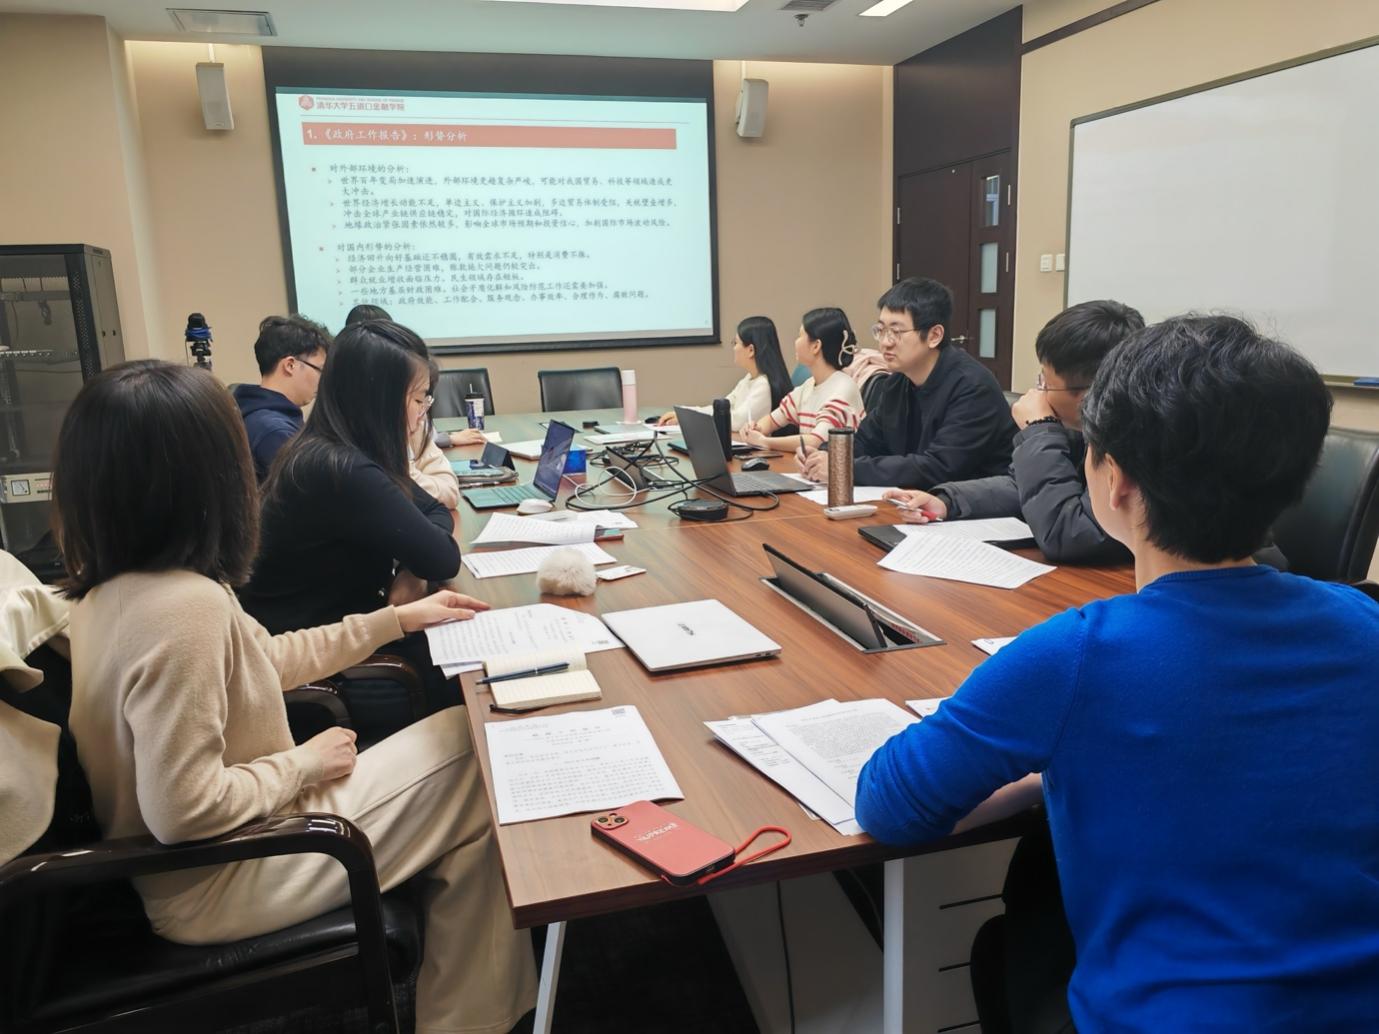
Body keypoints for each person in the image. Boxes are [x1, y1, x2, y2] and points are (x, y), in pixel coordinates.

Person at [856, 315, 1379, 1032]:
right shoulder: (1363, 623)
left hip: (1157, 1017)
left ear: (1115, 480)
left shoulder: (1073, 655)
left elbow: (889, 804)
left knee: (1005, 942)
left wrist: (1042, 775)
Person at [55, 360, 537, 1034]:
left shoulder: (112, 589)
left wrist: (393, 621)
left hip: (212, 855)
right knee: (474, 749)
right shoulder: (183, 608)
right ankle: (473, 1017)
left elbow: (262, 662)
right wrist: (304, 765)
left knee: (467, 810)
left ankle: (472, 1017)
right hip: (225, 874)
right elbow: (184, 813)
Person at [240, 320, 460, 635]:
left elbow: (435, 510)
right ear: (383, 401)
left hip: (340, 630)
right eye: (418, 400)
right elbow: (443, 558)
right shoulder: (341, 469)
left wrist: (411, 571)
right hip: (321, 650)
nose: (421, 413)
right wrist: (419, 564)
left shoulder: (333, 447)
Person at [883, 299, 1142, 562]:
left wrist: (1040, 429)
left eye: (1046, 382)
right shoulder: (1086, 428)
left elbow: (1070, 534)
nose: (1038, 392)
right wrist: (948, 502)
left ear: (1089, 395)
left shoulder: (1133, 440)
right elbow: (1026, 487)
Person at [797, 278, 1015, 488]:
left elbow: (939, 467)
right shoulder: (897, 382)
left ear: (934, 335)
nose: (885, 342)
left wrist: (843, 468)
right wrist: (825, 454)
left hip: (972, 505)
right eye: (881, 330)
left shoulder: (973, 387)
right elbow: (867, 440)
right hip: (914, 500)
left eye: (896, 332)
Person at [740, 307, 864, 453]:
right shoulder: (808, 385)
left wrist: (765, 442)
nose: (795, 341)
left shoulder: (843, 388)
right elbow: (772, 420)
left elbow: (815, 441)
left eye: (800, 335)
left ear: (816, 346)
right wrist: (755, 429)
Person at [231, 315, 330, 481]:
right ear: (290, 365)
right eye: (320, 370)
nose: (322, 379)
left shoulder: (254, 412)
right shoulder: (275, 432)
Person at [657, 316, 793, 429]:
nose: (734, 348)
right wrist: (685, 413)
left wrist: (688, 418)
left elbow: (737, 421)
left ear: (751, 350)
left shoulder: (763, 385)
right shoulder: (748, 379)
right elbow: (722, 409)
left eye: (736, 343)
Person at [410, 359, 461, 511]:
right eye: (418, 400)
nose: (422, 415)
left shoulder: (416, 428)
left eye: (425, 401)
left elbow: (450, 492)